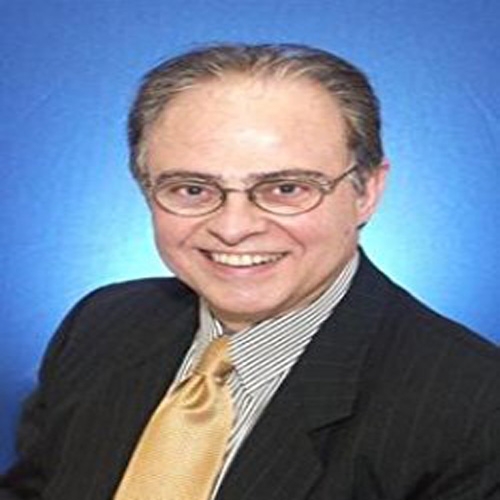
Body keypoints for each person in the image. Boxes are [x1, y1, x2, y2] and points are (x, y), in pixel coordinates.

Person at [1, 43, 499, 500]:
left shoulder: (477, 408)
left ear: (366, 191)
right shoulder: (102, 324)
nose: (233, 228)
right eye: (192, 189)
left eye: (286, 188)